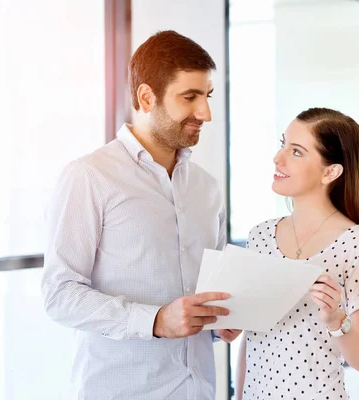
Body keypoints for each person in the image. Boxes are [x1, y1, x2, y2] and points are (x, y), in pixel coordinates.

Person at [41, 30, 239, 400]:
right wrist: (155, 320)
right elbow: (60, 294)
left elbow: (206, 291)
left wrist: (220, 323)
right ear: (147, 97)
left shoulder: (207, 189)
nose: (205, 113)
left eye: (207, 96)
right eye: (190, 97)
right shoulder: (90, 176)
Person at [235, 107, 359, 399]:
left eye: (296, 152)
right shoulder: (259, 237)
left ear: (330, 172)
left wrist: (337, 321)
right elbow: (251, 342)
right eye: (283, 144)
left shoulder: (358, 244)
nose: (278, 158)